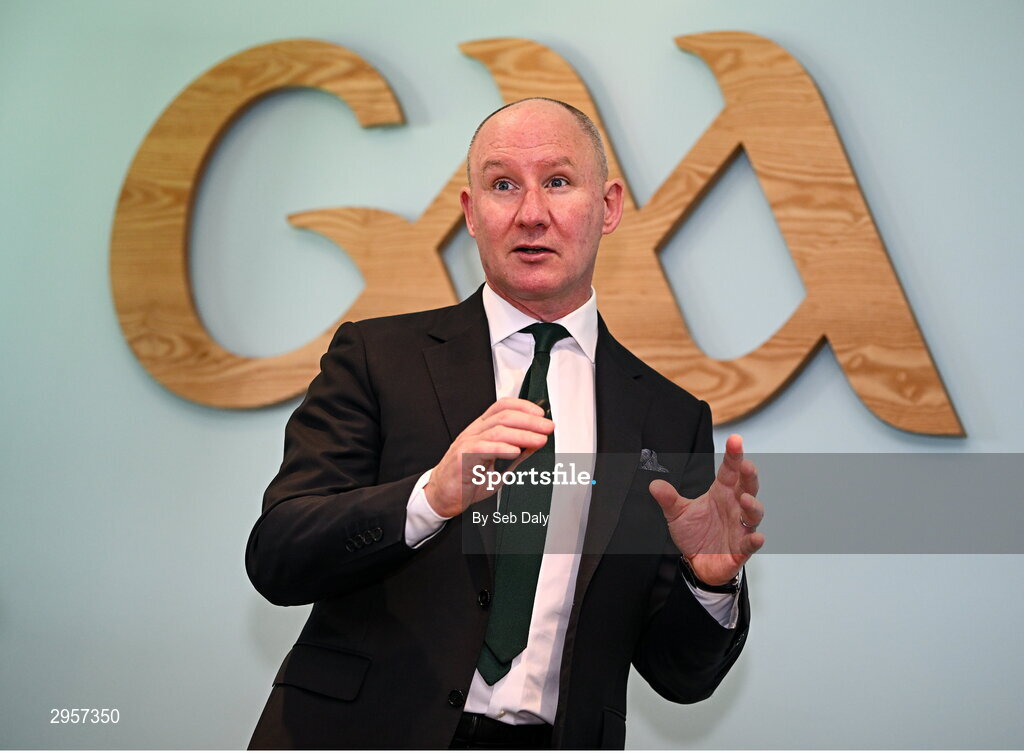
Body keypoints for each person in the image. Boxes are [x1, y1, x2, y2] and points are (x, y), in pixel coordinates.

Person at [245, 97, 765, 749]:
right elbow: (280, 555)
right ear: (470, 212)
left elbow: (679, 674)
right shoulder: (378, 357)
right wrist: (431, 496)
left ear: (607, 207)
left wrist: (709, 581)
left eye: (556, 181)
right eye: (502, 185)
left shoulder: (668, 417)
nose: (530, 214)